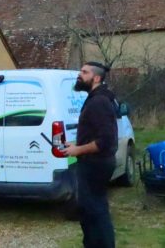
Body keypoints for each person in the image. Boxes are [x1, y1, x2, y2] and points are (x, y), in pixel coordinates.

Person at [64, 61, 119, 248]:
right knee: (89, 211)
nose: (80, 75)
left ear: (96, 78)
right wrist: (75, 145)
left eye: (84, 72)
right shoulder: (96, 98)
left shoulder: (99, 102)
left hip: (96, 164)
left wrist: (77, 150)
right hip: (93, 162)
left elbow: (105, 140)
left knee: (96, 211)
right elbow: (96, 135)